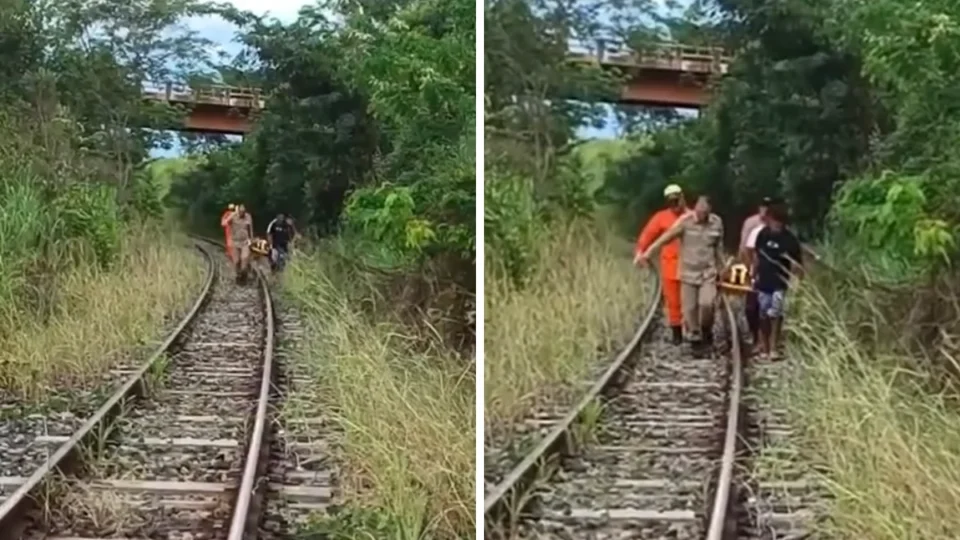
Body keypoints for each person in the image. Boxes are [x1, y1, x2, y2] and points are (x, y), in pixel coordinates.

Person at [639, 195, 725, 352]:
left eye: (704, 211)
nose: (700, 214)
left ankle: (706, 329)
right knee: (689, 309)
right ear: (695, 208)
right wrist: (648, 252)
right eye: (699, 210)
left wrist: (723, 269)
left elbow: (719, 248)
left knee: (707, 304)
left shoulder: (716, 223)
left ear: (709, 211)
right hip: (688, 273)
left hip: (708, 273)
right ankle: (695, 338)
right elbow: (665, 238)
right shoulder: (685, 222)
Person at [745, 203, 803, 360]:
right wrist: (752, 275)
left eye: (779, 222)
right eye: (774, 221)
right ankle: (764, 346)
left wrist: (798, 282)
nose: (776, 225)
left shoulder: (789, 239)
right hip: (763, 281)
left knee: (776, 313)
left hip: (780, 282)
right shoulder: (762, 234)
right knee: (763, 314)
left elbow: (797, 264)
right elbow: (756, 256)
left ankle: (773, 347)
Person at [634, 184, 689, 345]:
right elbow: (647, 235)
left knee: (692, 301)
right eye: (671, 202)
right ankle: (677, 332)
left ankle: (694, 330)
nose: (675, 205)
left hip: (691, 265)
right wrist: (640, 251)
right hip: (670, 264)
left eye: (677, 200)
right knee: (673, 300)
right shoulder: (661, 217)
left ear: (682, 198)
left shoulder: (693, 216)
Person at [739, 196, 778, 347]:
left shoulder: (776, 226)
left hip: (771, 272)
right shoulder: (751, 224)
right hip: (754, 269)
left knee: (769, 307)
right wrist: (749, 268)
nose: (765, 210)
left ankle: (767, 340)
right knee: (752, 306)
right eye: (763, 206)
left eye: (768, 207)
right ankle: (756, 336)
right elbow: (745, 248)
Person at [226, 204, 254, 283]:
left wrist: (251, 239)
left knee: (244, 258)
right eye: (241, 211)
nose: (242, 213)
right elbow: (225, 223)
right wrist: (233, 214)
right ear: (238, 211)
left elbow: (250, 228)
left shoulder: (248, 217)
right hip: (235, 241)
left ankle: (244, 274)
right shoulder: (233, 216)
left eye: (243, 211)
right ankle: (238, 275)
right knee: (236, 261)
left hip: (245, 242)